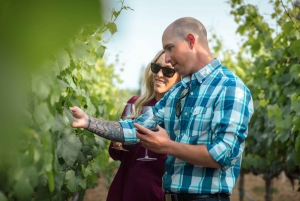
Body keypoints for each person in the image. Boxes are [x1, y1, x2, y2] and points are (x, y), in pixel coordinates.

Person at [71, 17, 254, 201]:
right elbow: (136, 128)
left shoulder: (230, 87)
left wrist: (168, 146)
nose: (167, 57)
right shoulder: (179, 91)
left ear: (191, 41)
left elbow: (224, 154)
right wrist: (89, 122)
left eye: (170, 48)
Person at [106, 50, 181, 201]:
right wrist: (116, 143)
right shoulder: (135, 103)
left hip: (155, 194)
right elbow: (116, 155)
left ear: (180, 77)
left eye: (167, 71)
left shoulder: (180, 113)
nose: (159, 74)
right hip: (123, 190)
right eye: (156, 68)